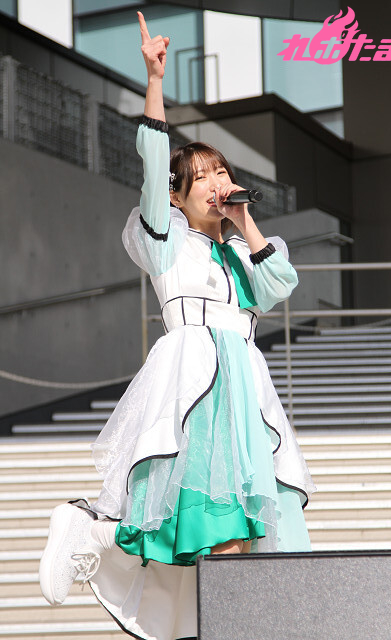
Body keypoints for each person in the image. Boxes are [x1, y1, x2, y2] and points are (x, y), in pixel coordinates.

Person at [39, 12, 315, 640]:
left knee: (239, 538)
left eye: (222, 171)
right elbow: (152, 161)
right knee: (195, 523)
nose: (217, 183)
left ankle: (112, 546)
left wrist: (245, 223)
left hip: (242, 394)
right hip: (193, 385)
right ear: (178, 197)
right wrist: (155, 81)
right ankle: (91, 529)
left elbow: (280, 286)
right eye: (203, 177)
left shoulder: (243, 253)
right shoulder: (166, 242)